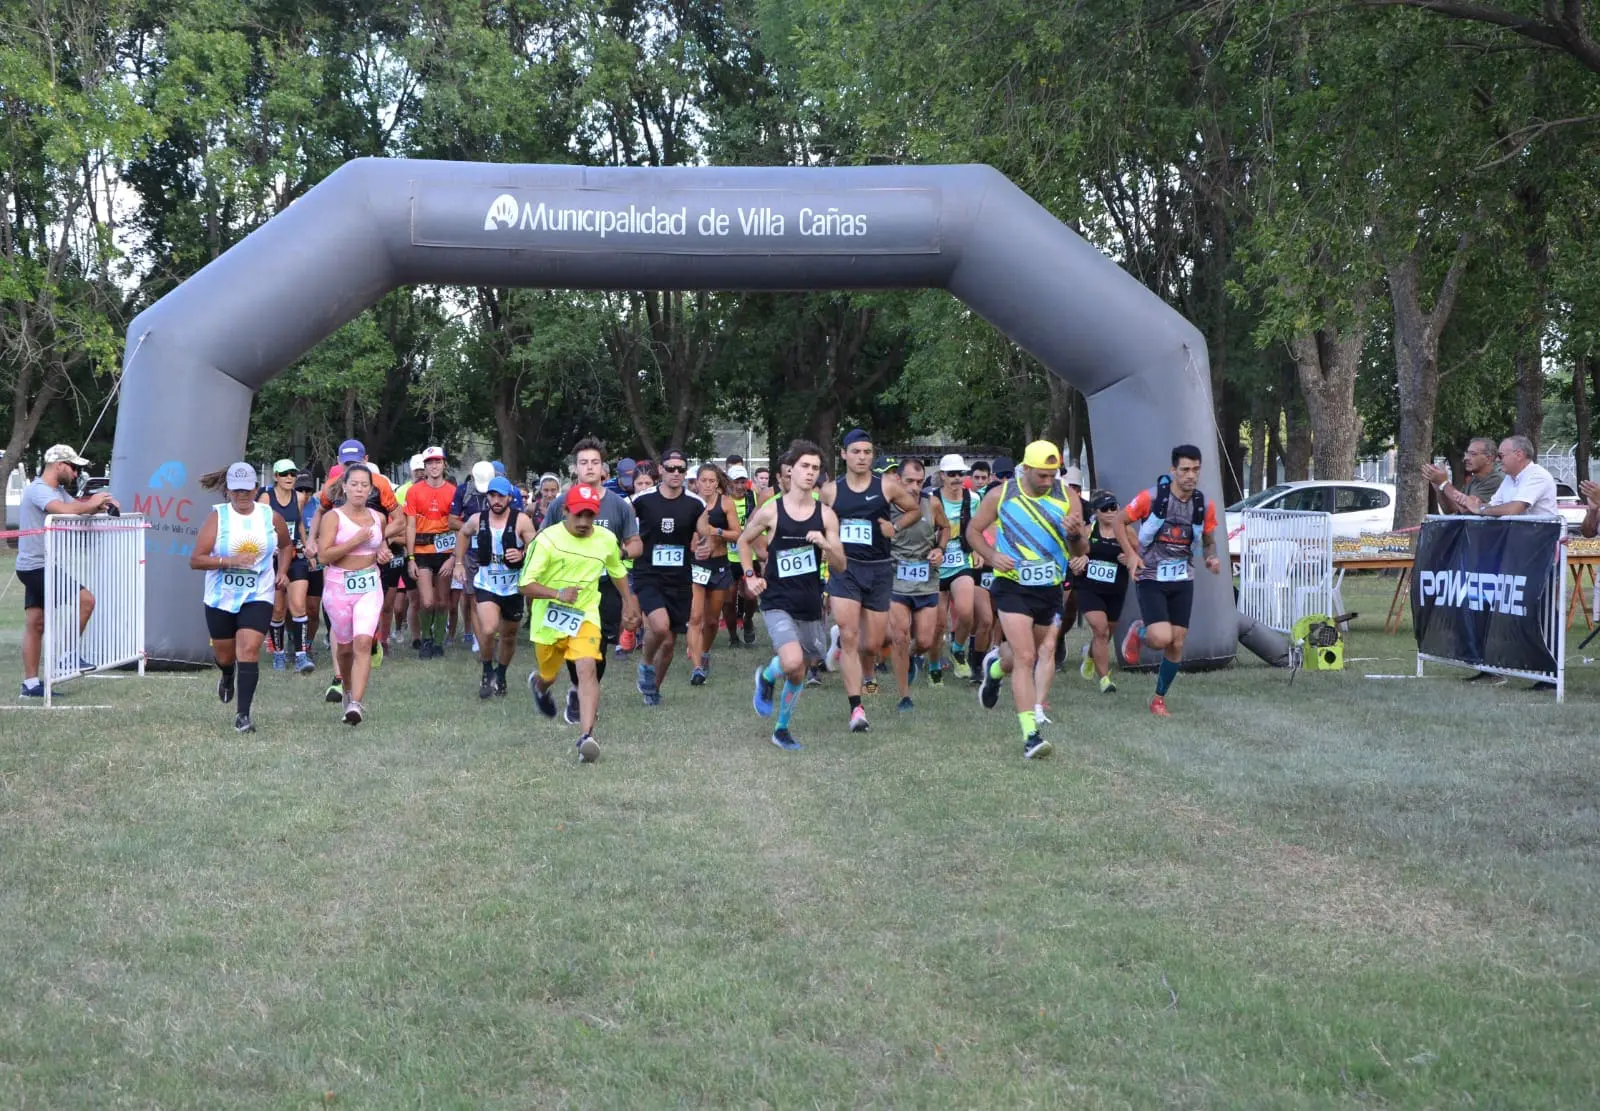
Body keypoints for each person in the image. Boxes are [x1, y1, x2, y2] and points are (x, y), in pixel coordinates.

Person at [965, 441, 1081, 759]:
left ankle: (995, 670)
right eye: (1042, 475)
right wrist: (991, 556)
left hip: (1050, 589)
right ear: (1026, 469)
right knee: (1027, 657)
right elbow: (973, 531)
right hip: (1012, 585)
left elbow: (1080, 550)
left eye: (1052, 475)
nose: (1048, 481)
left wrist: (1075, 535)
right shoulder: (1001, 495)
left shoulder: (1067, 497)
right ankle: (1031, 736)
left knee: (1020, 656)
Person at [523, 483, 642, 761]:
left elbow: (617, 570)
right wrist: (558, 594)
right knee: (549, 675)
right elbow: (524, 584)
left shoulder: (605, 539)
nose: (584, 521)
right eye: (578, 515)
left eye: (590, 515)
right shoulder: (547, 540)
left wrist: (629, 602)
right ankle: (540, 686)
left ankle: (587, 737)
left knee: (587, 668)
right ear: (565, 511)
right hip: (549, 619)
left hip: (585, 614)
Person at [741, 441, 847, 751]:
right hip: (777, 600)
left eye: (815, 468)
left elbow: (841, 565)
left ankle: (781, 726)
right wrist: (750, 576)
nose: (810, 473)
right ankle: (770, 676)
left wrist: (826, 546)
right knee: (792, 660)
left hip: (810, 601)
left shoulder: (826, 516)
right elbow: (744, 542)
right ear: (790, 470)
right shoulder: (771, 511)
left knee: (801, 668)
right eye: (804, 466)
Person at [820, 428, 922, 733]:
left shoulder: (887, 486)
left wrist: (895, 527)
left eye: (867, 452)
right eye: (856, 452)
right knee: (851, 634)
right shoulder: (830, 491)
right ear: (844, 454)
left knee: (872, 644)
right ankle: (856, 708)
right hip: (845, 569)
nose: (862, 457)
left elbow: (914, 510)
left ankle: (844, 645)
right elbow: (819, 522)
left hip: (878, 570)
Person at [540, 437, 642, 725]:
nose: (589, 467)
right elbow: (541, 539)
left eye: (595, 462)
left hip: (606, 586)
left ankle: (583, 690)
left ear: (603, 468)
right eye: (583, 462)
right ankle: (579, 688)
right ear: (575, 468)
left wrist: (619, 553)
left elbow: (636, 543)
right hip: (570, 589)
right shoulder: (560, 504)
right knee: (572, 642)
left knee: (600, 647)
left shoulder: (618, 505)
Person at [1116, 444, 1222, 717]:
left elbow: (1208, 541)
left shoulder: (1203, 505)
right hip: (1150, 574)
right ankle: (1139, 632)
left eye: (1196, 469)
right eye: (1185, 469)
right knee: (1161, 637)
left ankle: (1159, 699)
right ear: (1173, 470)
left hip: (1182, 578)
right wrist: (1131, 554)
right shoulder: (1151, 498)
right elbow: (1119, 521)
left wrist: (1211, 557)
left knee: (1177, 642)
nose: (1191, 475)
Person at [191, 462, 292, 733]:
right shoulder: (218, 518)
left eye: (247, 490)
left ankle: (243, 715)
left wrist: (282, 571)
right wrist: (229, 561)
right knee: (226, 656)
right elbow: (196, 560)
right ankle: (227, 674)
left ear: (256, 489)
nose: (242, 495)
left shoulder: (270, 516)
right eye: (236, 490)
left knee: (248, 649)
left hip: (258, 592)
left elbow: (286, 546)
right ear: (228, 491)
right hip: (221, 596)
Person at [15, 444, 120, 697]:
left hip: (41, 564)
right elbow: (64, 510)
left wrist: (101, 504)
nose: (75, 473)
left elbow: (79, 508)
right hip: (34, 566)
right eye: (73, 467)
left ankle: (30, 685)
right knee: (87, 600)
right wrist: (91, 503)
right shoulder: (39, 490)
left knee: (36, 623)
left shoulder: (58, 491)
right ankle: (68, 657)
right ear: (59, 465)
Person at [315, 463, 392, 724]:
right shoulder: (333, 518)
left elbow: (380, 546)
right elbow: (323, 556)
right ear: (345, 487)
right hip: (338, 586)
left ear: (371, 490)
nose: (359, 489)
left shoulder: (379, 518)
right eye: (354, 484)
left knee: (363, 642)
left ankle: (356, 704)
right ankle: (347, 691)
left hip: (369, 584)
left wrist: (383, 553)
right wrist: (354, 541)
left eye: (364, 485)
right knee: (345, 648)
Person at [631, 448, 706, 705]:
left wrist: (705, 543)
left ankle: (653, 690)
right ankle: (645, 664)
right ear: (661, 469)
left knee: (669, 643)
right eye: (671, 468)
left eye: (681, 469)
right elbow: (624, 521)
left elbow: (704, 532)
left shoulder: (695, 503)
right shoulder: (642, 499)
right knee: (660, 626)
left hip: (680, 578)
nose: (676, 473)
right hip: (648, 574)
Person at [454, 476, 536, 698]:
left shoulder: (521, 520)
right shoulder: (477, 519)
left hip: (513, 586)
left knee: (509, 636)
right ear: (487, 497)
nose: (496, 500)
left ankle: (501, 675)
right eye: (492, 495)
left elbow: (535, 546)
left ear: (509, 497)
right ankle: (486, 670)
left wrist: (522, 553)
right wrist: (459, 563)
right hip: (486, 583)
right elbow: (463, 534)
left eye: (501, 496)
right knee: (489, 629)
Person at [887, 458, 948, 711]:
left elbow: (946, 527)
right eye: (909, 481)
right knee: (900, 636)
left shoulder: (931, 503)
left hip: (926, 580)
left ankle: (911, 657)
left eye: (919, 482)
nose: (914, 487)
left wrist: (940, 549)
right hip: (895, 580)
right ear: (898, 479)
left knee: (925, 641)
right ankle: (904, 696)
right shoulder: (886, 506)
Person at [1070, 490, 1132, 693]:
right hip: (1089, 588)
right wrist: (1080, 559)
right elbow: (1073, 552)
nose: (1111, 512)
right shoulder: (1089, 531)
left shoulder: (1126, 532)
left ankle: (1090, 656)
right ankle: (1105, 680)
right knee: (1100, 629)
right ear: (1096, 512)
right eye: (1105, 508)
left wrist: (1130, 558)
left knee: (1106, 634)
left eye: (1114, 507)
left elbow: (1141, 555)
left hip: (1115, 590)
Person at [260, 459, 314, 673]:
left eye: (292, 473)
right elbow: (259, 524)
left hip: (295, 555)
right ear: (276, 477)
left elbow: (299, 523)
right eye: (284, 474)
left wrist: (306, 544)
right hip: (273, 558)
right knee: (277, 610)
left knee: (298, 605)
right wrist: (267, 545)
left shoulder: (299, 497)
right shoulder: (266, 498)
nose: (289, 478)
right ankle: (279, 654)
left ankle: (301, 656)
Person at [404, 445, 458, 657]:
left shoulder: (453, 491)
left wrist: (454, 557)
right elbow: (410, 526)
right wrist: (410, 558)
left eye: (438, 462)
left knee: (443, 601)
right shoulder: (414, 491)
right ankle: (425, 638)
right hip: (422, 551)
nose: (434, 466)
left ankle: (438, 642)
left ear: (444, 464)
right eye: (430, 463)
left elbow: (458, 527)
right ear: (424, 467)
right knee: (427, 601)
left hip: (445, 552)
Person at [689, 462, 741, 684]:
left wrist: (715, 531)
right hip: (696, 565)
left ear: (718, 482)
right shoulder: (691, 503)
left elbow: (737, 534)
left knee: (711, 621)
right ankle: (697, 667)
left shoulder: (726, 503)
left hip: (719, 565)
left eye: (712, 481)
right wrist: (693, 544)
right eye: (704, 480)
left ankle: (704, 652)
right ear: (697, 482)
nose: (708, 485)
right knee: (695, 617)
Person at [933, 454, 979, 681]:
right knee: (938, 623)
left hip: (961, 561)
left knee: (967, 613)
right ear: (942, 475)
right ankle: (933, 666)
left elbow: (978, 528)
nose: (957, 478)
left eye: (961, 473)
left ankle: (958, 650)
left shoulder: (973, 499)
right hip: (936, 565)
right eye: (952, 474)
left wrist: (978, 550)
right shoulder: (931, 499)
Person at [1475, 436, 1559, 518]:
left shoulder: (1538, 475)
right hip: (1518, 527)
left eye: (1501, 456)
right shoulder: (1510, 477)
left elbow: (1512, 510)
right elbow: (1493, 505)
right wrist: (1473, 505)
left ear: (1519, 455)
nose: (1497, 460)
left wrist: (1481, 510)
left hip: (1540, 527)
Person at [1423, 437, 1503, 514]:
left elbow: (1468, 508)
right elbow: (1450, 509)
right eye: (1467, 454)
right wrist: (1439, 487)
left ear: (1488, 459)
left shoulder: (1496, 479)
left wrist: (1444, 483)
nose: (1466, 458)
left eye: (1473, 454)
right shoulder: (1474, 480)